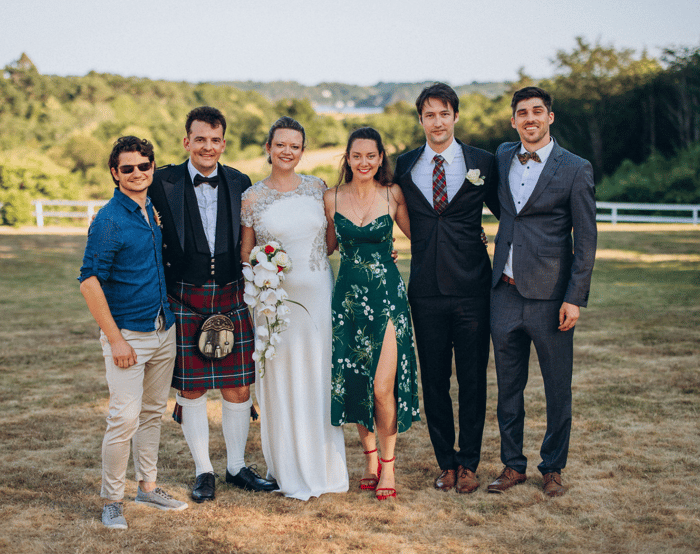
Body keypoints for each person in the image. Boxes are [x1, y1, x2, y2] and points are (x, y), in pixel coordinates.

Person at [148, 107, 276, 503]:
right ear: (186, 141)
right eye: (200, 139)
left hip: (230, 293)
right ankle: (204, 470)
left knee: (239, 387)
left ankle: (236, 466)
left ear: (224, 142)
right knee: (193, 390)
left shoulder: (240, 182)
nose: (208, 146)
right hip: (184, 295)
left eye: (215, 139)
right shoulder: (161, 181)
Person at [488, 86, 597, 497]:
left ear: (550, 117)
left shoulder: (575, 167)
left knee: (557, 388)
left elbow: (586, 239)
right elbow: (508, 212)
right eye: (521, 112)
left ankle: (553, 467)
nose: (529, 118)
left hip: (552, 297)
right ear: (513, 120)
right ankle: (512, 466)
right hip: (504, 292)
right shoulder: (501, 157)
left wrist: (575, 296)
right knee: (507, 388)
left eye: (537, 111)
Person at [394, 83, 500, 494]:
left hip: (474, 287)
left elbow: (510, 214)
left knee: (473, 379)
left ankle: (469, 462)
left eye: (443, 113)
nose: (437, 122)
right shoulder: (404, 165)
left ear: (455, 116)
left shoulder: (483, 162)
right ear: (420, 120)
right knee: (434, 380)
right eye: (429, 115)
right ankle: (446, 463)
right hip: (425, 290)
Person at [79, 136, 188, 529]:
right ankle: (112, 501)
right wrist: (116, 339)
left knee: (150, 415)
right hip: (128, 335)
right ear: (115, 172)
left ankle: (148, 487)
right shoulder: (109, 219)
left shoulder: (152, 211)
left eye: (144, 166)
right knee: (123, 418)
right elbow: (89, 281)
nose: (137, 173)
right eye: (128, 168)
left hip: (163, 331)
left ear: (152, 167)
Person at [240, 117, 349, 500]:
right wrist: (265, 274)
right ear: (268, 147)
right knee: (282, 377)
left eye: (295, 146)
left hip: (319, 295)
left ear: (302, 151)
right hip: (276, 304)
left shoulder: (318, 189)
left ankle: (323, 465)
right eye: (281, 144)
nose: (287, 151)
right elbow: (246, 255)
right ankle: (287, 466)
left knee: (319, 374)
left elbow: (333, 242)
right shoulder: (251, 198)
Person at [325, 127, 420, 501]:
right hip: (347, 301)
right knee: (357, 380)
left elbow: (423, 236)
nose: (363, 162)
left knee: (382, 386)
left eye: (371, 155)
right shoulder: (330, 198)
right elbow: (324, 247)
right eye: (356, 155)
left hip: (387, 299)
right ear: (347, 158)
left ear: (381, 158)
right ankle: (369, 460)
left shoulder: (392, 194)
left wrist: (471, 237)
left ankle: (389, 466)